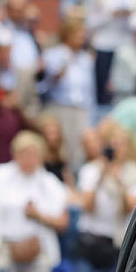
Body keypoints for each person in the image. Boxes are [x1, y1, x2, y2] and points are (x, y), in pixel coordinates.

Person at [0, 130, 69, 272]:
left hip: (38, 254)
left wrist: (38, 215)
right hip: (2, 251)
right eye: (23, 153)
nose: (28, 159)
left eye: (33, 154)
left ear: (41, 156)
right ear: (15, 154)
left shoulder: (50, 183)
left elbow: (63, 223)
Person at [74, 124, 136, 272]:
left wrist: (119, 182)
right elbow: (87, 206)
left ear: (129, 147)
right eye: (113, 143)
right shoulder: (90, 170)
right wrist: (101, 176)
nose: (117, 148)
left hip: (118, 245)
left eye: (122, 143)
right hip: (90, 241)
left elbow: (129, 209)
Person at [39, 19, 96, 170]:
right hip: (60, 107)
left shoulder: (86, 59)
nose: (81, 37)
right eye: (78, 34)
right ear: (67, 35)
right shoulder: (53, 54)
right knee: (62, 146)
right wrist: (57, 75)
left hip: (81, 108)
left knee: (79, 149)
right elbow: (43, 86)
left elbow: (90, 90)